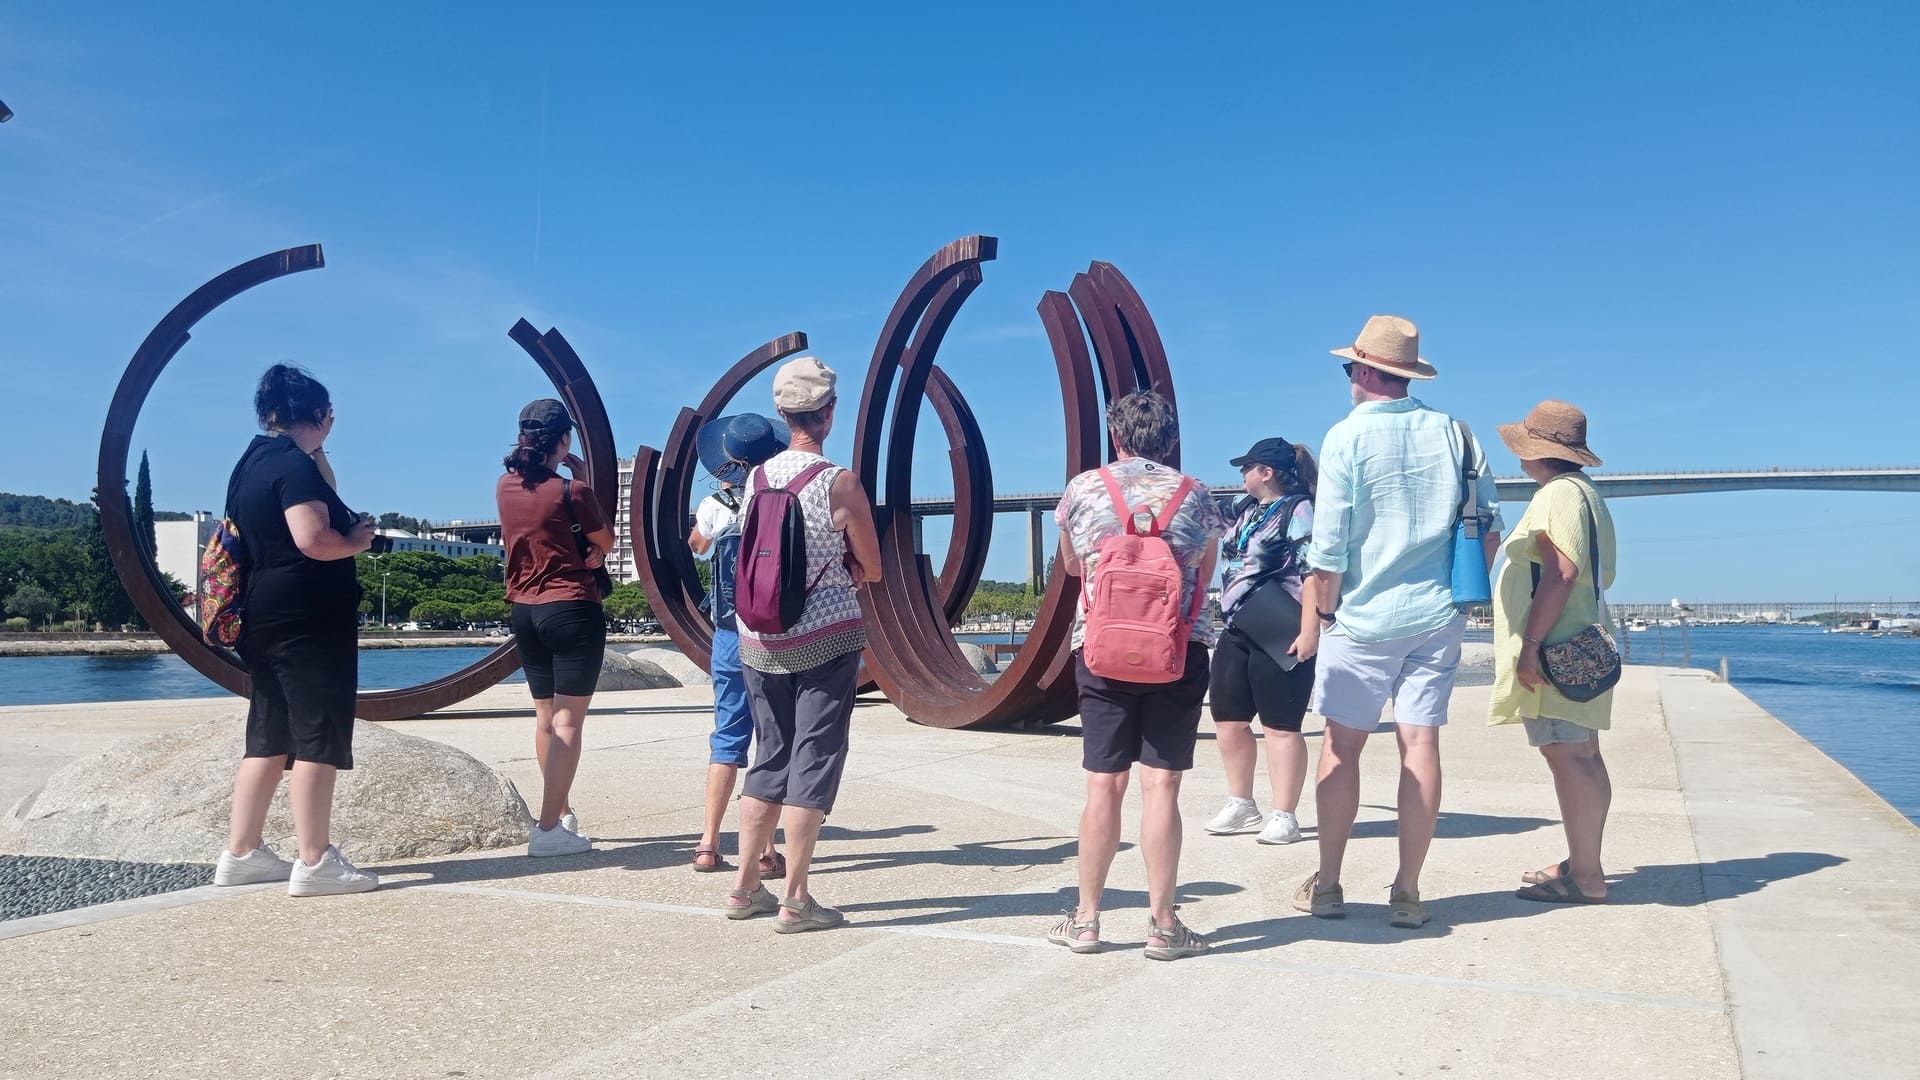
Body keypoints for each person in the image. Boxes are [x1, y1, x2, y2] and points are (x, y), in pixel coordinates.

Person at [1290, 315, 1501, 929]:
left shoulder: (1345, 438)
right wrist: (1462, 597)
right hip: (1436, 616)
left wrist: (1324, 612)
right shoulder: (1456, 434)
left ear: (1360, 371)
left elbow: (1327, 546)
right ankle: (1408, 889)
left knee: (1341, 748)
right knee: (1421, 746)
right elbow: (1488, 525)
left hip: (1360, 617)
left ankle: (1329, 884)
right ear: (1406, 374)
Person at [1046, 390, 1226, 961]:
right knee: (1161, 785)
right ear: (1169, 441)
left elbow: (1073, 565)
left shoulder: (1083, 488)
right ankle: (1163, 925)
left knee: (1104, 784)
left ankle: (1088, 920)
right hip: (1176, 651)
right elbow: (1204, 571)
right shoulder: (1195, 493)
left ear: (1116, 436)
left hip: (1100, 649)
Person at [723, 357, 883, 933]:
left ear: (783, 412)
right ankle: (795, 898)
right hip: (826, 637)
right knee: (814, 755)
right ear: (829, 414)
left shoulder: (756, 479)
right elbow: (873, 564)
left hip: (759, 636)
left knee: (770, 752)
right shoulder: (837, 481)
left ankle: (744, 886)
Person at [213, 363, 379, 897]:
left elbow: (316, 493)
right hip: (309, 619)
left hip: (260, 614)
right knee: (317, 737)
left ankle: (241, 853)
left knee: (268, 734)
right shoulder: (294, 466)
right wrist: (357, 541)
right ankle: (315, 862)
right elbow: (313, 538)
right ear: (318, 414)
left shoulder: (253, 463)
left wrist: (319, 449)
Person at [1489, 401, 1617, 904]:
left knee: (1570, 758)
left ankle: (1586, 877)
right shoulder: (1585, 493)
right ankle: (1585, 860)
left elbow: (1561, 573)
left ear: (1536, 451)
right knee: (1583, 756)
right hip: (1580, 642)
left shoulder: (1558, 496)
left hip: (1557, 649)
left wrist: (1531, 647)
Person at [496, 398, 615, 858]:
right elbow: (604, 539)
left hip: (523, 611)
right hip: (570, 607)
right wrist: (580, 479)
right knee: (569, 721)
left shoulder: (504, 486)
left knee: (546, 717)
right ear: (564, 441)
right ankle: (548, 830)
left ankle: (560, 814)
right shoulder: (572, 491)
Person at [1204, 436, 1319, 846]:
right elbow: (1202, 512)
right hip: (1237, 628)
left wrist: (1310, 631)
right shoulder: (1244, 507)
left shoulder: (1299, 509)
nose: (1241, 474)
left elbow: (1312, 574)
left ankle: (1285, 813)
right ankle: (1241, 802)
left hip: (1281, 629)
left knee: (1280, 725)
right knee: (1228, 718)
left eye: (1247, 468)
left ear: (1266, 472)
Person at [688, 413, 787, 877]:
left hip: (729, 632)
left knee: (727, 736)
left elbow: (698, 546)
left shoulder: (715, 504)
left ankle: (708, 843)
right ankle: (765, 850)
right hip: (772, 635)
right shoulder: (780, 501)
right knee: (770, 738)